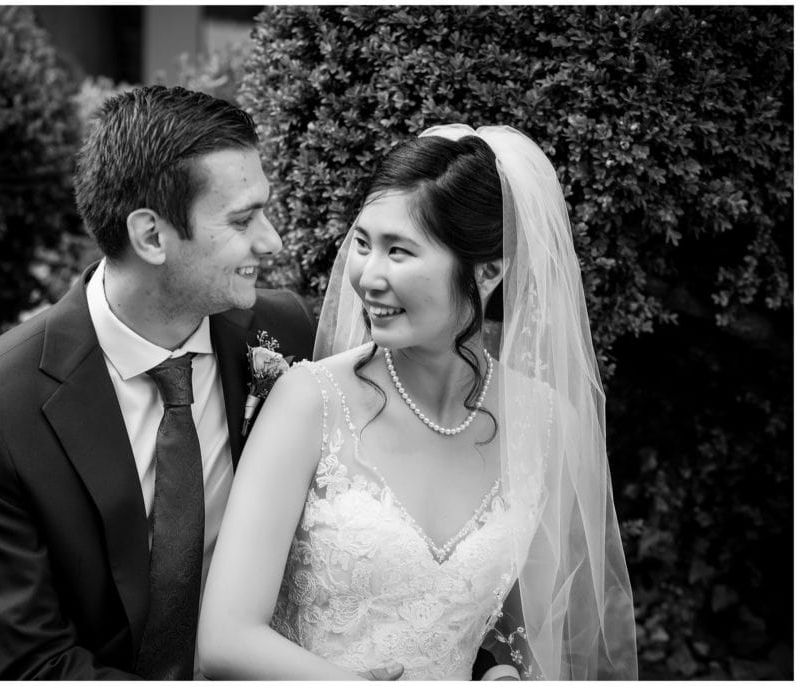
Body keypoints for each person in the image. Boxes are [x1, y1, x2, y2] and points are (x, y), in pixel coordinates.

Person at [198, 124, 638, 679]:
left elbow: (535, 634)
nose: (369, 276)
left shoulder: (548, 425)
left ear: (487, 272)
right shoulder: (310, 402)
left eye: (399, 252)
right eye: (363, 244)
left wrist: (507, 673)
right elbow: (225, 639)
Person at [0, 86, 316, 679]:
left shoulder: (285, 332)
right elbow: (36, 661)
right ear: (151, 236)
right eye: (242, 219)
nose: (273, 240)